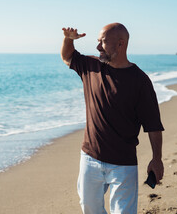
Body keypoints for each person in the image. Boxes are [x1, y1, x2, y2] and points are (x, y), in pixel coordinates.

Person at [60, 23, 164, 214]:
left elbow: (153, 125)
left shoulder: (140, 81)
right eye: (98, 41)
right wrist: (68, 39)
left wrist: (156, 159)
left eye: (103, 42)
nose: (98, 47)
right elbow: (67, 57)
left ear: (120, 44)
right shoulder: (91, 67)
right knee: (89, 208)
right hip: (90, 157)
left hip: (123, 164)